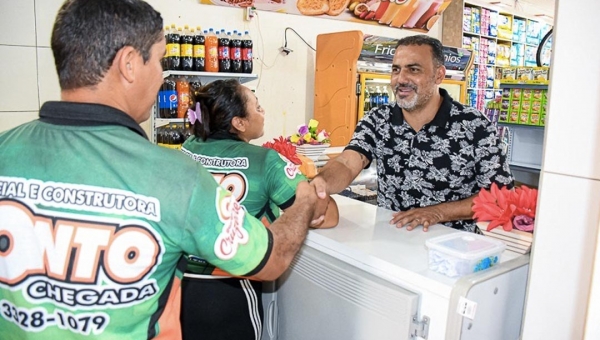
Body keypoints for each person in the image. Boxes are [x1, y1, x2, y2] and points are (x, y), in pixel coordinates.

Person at [0, 0, 325, 339]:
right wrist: (303, 201)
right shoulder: (175, 178)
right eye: (159, 60)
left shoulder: (5, 151)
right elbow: (271, 259)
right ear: (129, 65)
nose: (161, 76)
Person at [179, 79, 339, 340]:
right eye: (257, 106)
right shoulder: (266, 161)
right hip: (231, 290)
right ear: (239, 123)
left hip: (178, 285)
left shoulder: (187, 149)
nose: (263, 112)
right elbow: (327, 215)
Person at [311, 35, 514, 233]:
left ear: (439, 75)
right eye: (396, 70)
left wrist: (438, 213)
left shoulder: (475, 125)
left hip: (455, 249)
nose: (401, 79)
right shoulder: (377, 119)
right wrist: (322, 183)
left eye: (414, 69)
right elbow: (348, 162)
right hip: (393, 241)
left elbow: (501, 198)